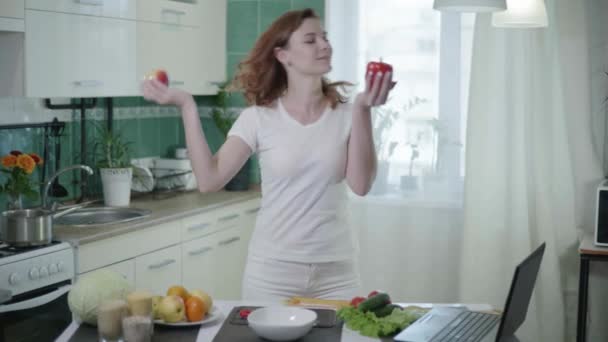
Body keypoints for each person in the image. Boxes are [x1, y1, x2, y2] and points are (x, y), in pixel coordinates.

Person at [142, 8, 395, 300]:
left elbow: (361, 185)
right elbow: (209, 180)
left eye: (324, 38)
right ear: (283, 55)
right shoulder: (258, 119)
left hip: (336, 273)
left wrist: (363, 109)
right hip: (272, 274)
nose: (325, 45)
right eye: (311, 40)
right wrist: (187, 105)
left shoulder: (349, 114)